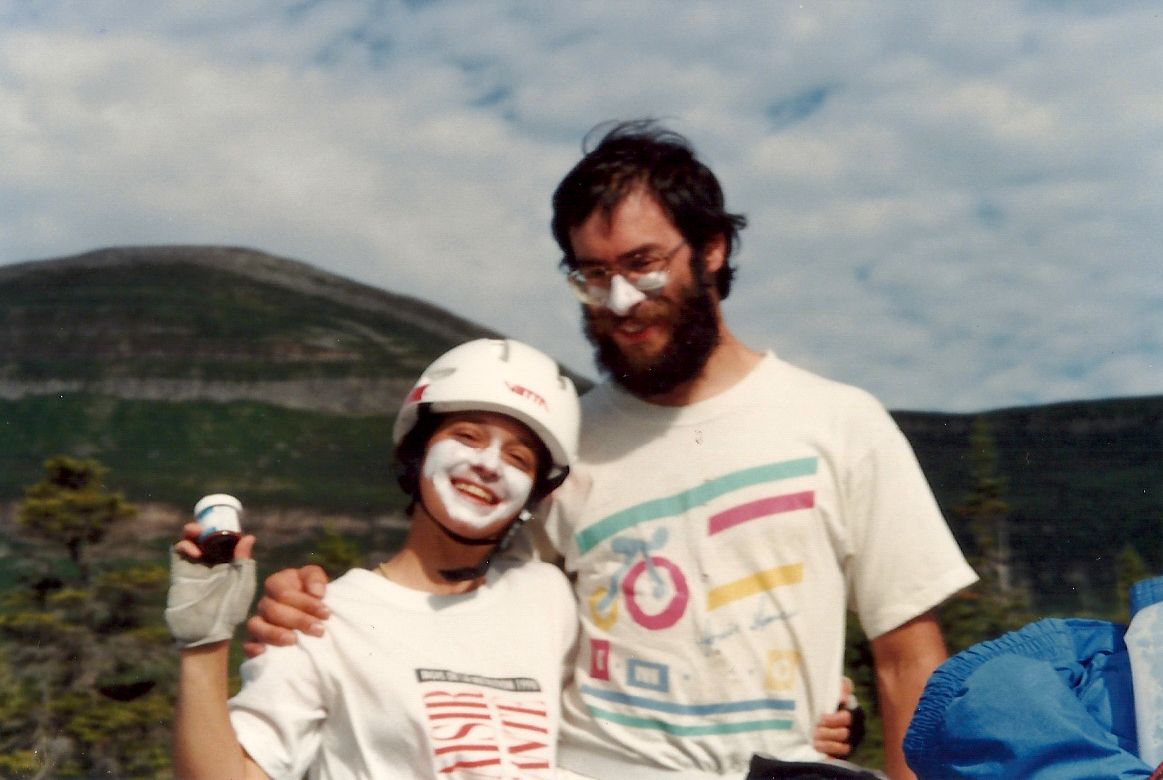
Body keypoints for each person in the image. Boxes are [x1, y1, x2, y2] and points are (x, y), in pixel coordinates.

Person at [247, 120, 977, 779]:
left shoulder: (841, 423)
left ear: (713, 249)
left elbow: (906, 658)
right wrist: (314, 613)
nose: (620, 300)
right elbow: (456, 604)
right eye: (593, 275)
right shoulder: (556, 445)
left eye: (642, 263)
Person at [166, 338, 582, 779]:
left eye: (519, 458)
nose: (490, 465)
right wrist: (205, 646)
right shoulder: (321, 617)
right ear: (417, 451)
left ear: (535, 494)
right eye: (467, 436)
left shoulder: (545, 597)